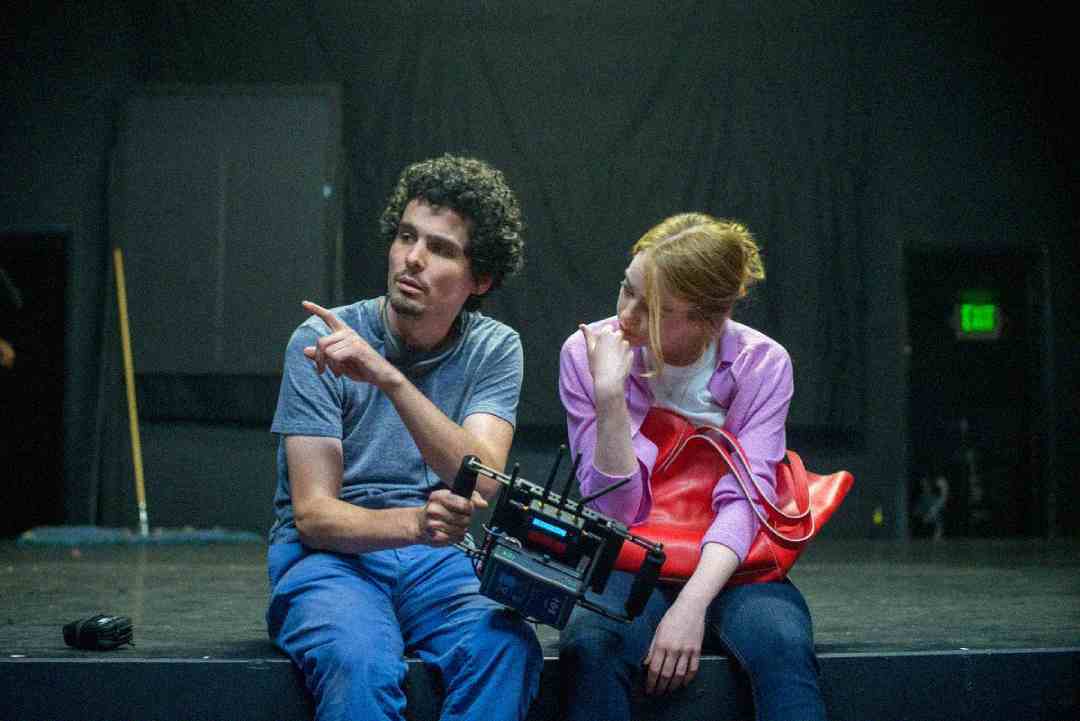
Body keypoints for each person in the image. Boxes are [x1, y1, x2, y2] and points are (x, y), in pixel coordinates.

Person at [266, 154, 542, 721]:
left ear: (480, 279)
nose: (412, 258)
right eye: (406, 236)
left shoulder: (494, 347)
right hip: (330, 560)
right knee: (361, 662)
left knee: (504, 646)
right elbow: (314, 517)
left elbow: (482, 478)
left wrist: (390, 380)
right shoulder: (320, 340)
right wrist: (416, 524)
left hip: (434, 563)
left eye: (440, 248)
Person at [558, 213, 827, 721]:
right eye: (627, 289)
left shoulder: (762, 364)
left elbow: (745, 502)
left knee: (783, 648)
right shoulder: (587, 352)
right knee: (591, 647)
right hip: (632, 553)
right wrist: (609, 394)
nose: (627, 315)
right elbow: (615, 510)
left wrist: (690, 606)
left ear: (710, 319)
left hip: (733, 562)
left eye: (655, 308)